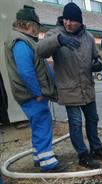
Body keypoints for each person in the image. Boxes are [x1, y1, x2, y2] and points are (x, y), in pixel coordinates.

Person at [37, 2, 102, 169]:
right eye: (66, 19)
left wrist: (97, 64)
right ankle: (83, 155)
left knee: (92, 119)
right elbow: (40, 50)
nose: (68, 23)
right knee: (76, 122)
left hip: (87, 88)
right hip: (69, 89)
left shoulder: (89, 37)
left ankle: (96, 149)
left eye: (73, 21)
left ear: (80, 21)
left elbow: (96, 57)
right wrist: (59, 41)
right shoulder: (55, 33)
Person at [4, 5, 65, 172]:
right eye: (37, 27)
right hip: (32, 95)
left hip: (30, 94)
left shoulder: (23, 39)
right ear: (29, 25)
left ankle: (40, 157)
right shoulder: (21, 41)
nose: (38, 31)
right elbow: (25, 71)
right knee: (42, 123)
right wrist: (37, 92)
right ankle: (48, 163)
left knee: (39, 123)